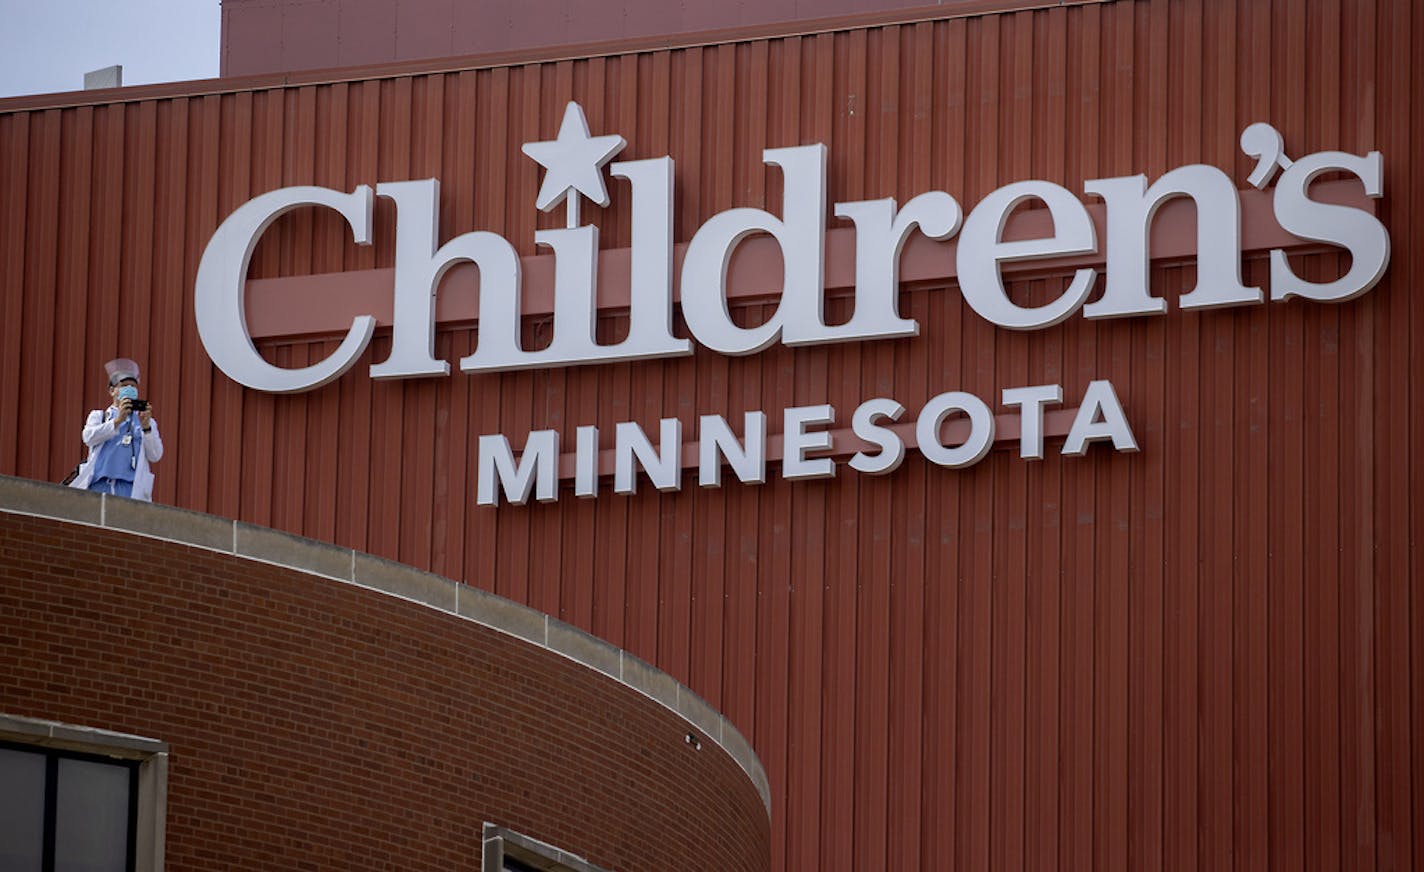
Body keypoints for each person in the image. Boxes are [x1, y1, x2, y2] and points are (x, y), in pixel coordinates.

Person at [69, 358, 164, 500]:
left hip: (130, 489)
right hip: (99, 486)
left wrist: (146, 428)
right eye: (124, 385)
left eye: (133, 386)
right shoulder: (100, 416)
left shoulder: (146, 421)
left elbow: (155, 455)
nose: (130, 389)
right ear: (112, 391)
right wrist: (117, 421)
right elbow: (88, 437)